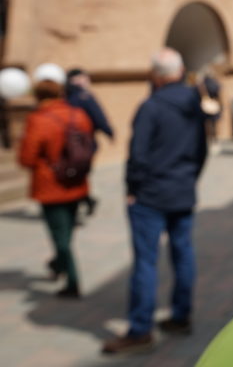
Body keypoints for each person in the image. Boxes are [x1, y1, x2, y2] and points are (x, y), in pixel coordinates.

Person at [102, 48, 207, 354]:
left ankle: (140, 328)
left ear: (157, 75)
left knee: (146, 261)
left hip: (151, 193)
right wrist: (190, 178)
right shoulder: (193, 103)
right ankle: (181, 314)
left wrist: (132, 187)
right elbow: (201, 148)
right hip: (181, 188)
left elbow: (138, 154)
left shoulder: (152, 106)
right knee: (183, 253)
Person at [18, 63, 93, 298]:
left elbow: (27, 158)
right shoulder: (78, 114)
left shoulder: (39, 120)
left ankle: (71, 281)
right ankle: (59, 265)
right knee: (67, 232)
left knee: (60, 237)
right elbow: (88, 145)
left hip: (51, 186)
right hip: (77, 182)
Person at [65, 68, 114, 217]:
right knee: (80, 174)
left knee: (76, 174)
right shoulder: (84, 96)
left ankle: (83, 200)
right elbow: (98, 116)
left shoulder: (64, 96)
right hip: (85, 144)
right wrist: (109, 132)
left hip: (68, 144)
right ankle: (84, 200)